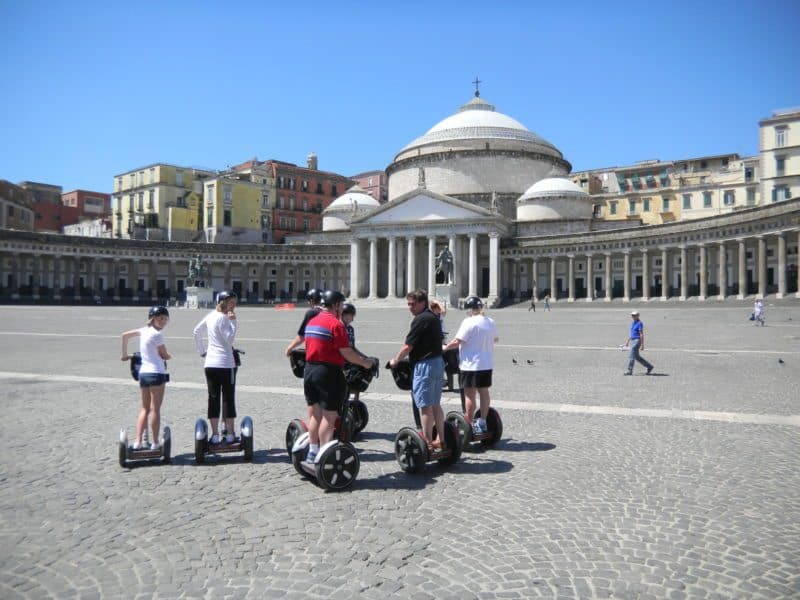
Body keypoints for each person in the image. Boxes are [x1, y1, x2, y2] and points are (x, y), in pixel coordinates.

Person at [303, 291, 377, 462]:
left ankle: (312, 451)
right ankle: (324, 454)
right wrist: (365, 363)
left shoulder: (312, 322)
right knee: (329, 418)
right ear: (335, 305)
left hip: (309, 370)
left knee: (314, 415)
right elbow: (347, 353)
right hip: (328, 372)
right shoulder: (336, 325)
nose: (343, 308)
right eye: (342, 305)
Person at [389, 289, 447, 450]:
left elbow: (408, 345)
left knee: (425, 406)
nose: (410, 307)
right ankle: (441, 439)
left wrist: (396, 360)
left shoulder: (420, 319)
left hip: (425, 365)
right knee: (435, 404)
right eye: (408, 304)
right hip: (437, 363)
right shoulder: (434, 317)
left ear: (423, 303)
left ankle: (427, 442)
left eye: (413, 304)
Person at [444, 296, 499, 434]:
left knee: (470, 395)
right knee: (484, 393)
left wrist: (445, 348)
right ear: (481, 307)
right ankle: (482, 422)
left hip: (470, 365)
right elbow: (496, 339)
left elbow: (458, 341)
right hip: (486, 364)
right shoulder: (490, 321)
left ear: (469, 310)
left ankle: (468, 423)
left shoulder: (469, 322)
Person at [121, 306, 172, 450]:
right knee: (155, 409)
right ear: (153, 318)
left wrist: (125, 354)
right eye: (160, 318)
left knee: (144, 409)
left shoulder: (143, 331)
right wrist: (168, 356)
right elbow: (164, 354)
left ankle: (137, 442)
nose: (163, 321)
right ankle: (155, 442)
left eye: (165, 319)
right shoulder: (157, 335)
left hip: (143, 374)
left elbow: (124, 335)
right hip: (157, 374)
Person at [193, 291, 239, 444]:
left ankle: (215, 435)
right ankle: (230, 434)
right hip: (226, 364)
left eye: (234, 302)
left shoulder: (211, 315)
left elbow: (196, 331)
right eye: (231, 302)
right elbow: (230, 339)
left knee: (213, 398)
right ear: (223, 302)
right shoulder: (223, 318)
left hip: (210, 364)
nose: (234, 305)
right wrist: (233, 322)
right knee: (228, 398)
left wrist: (202, 352)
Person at [284, 288, 322, 356]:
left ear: (311, 301)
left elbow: (302, 336)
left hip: (318, 353)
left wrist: (289, 348)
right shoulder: (331, 312)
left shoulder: (312, 312)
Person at [623, 310, 654, 376]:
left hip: (637, 341)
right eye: (632, 315)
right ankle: (649, 366)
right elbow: (632, 334)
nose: (633, 316)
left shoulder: (639, 323)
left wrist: (642, 344)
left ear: (638, 315)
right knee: (637, 357)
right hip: (633, 340)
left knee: (632, 356)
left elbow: (641, 334)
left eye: (634, 315)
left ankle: (629, 370)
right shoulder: (633, 323)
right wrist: (627, 341)